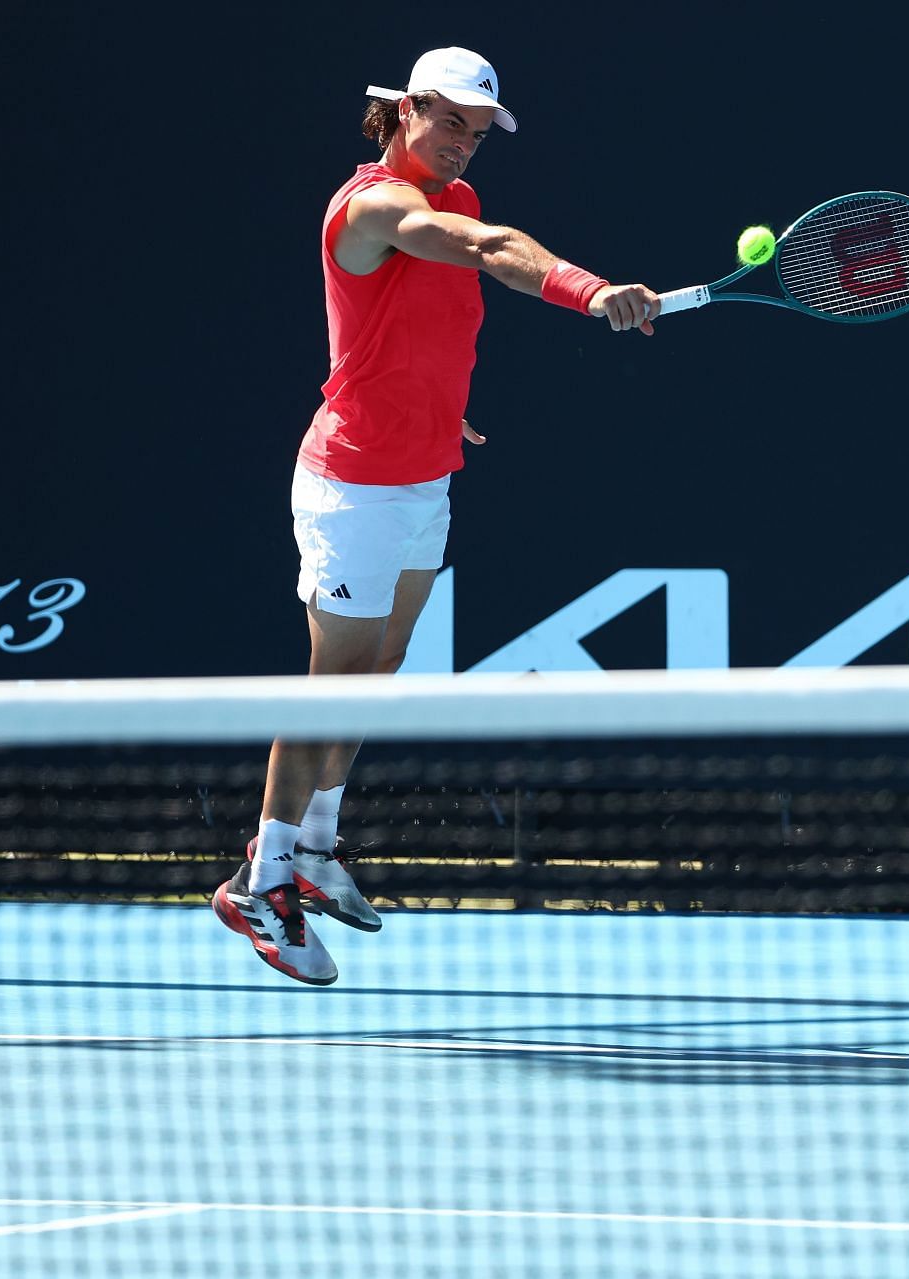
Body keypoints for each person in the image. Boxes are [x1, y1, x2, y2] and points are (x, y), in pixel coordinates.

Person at [211, 46, 660, 986]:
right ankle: (263, 879)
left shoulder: (452, 202)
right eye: (451, 120)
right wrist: (588, 290)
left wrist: (436, 406)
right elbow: (490, 254)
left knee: (379, 669)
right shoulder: (371, 205)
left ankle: (323, 847)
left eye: (479, 129)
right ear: (405, 110)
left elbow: (425, 319)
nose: (464, 143)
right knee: (330, 682)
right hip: (353, 486)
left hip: (423, 474)